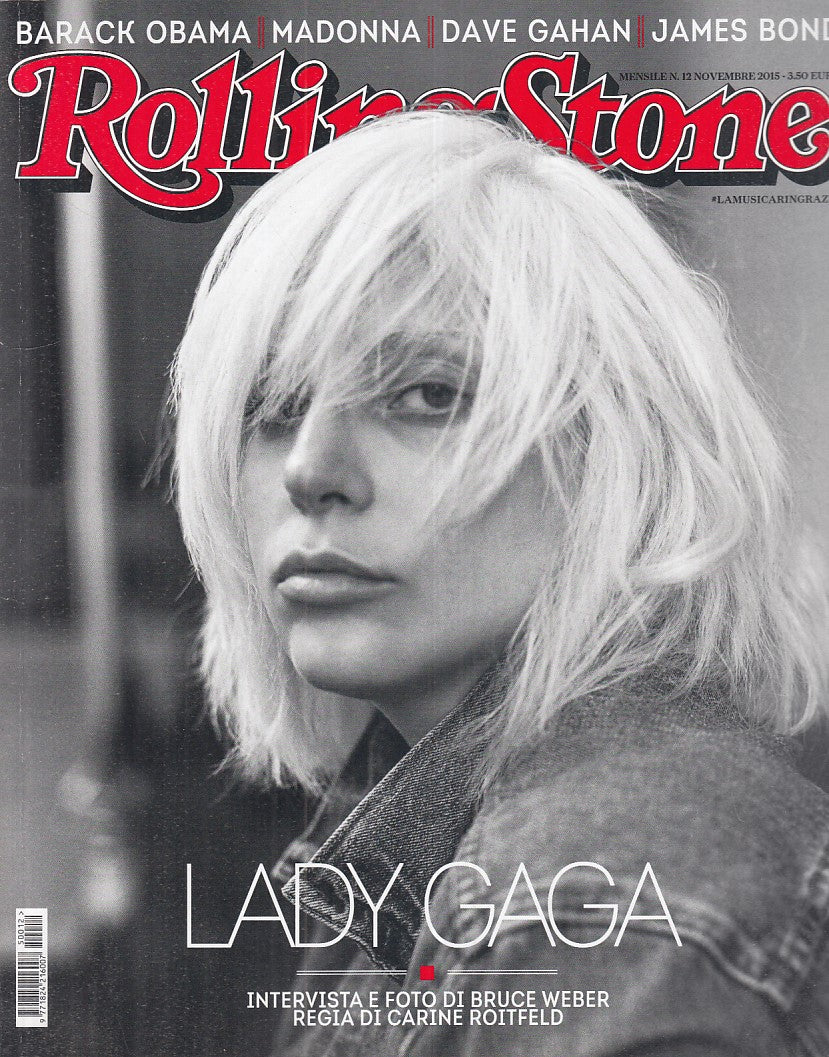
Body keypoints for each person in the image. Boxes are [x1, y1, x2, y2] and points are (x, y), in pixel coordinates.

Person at [172, 110, 829, 1056]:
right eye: (272, 406)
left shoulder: (597, 898)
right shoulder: (466, 840)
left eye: (428, 395)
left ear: (614, 453)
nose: (310, 470)